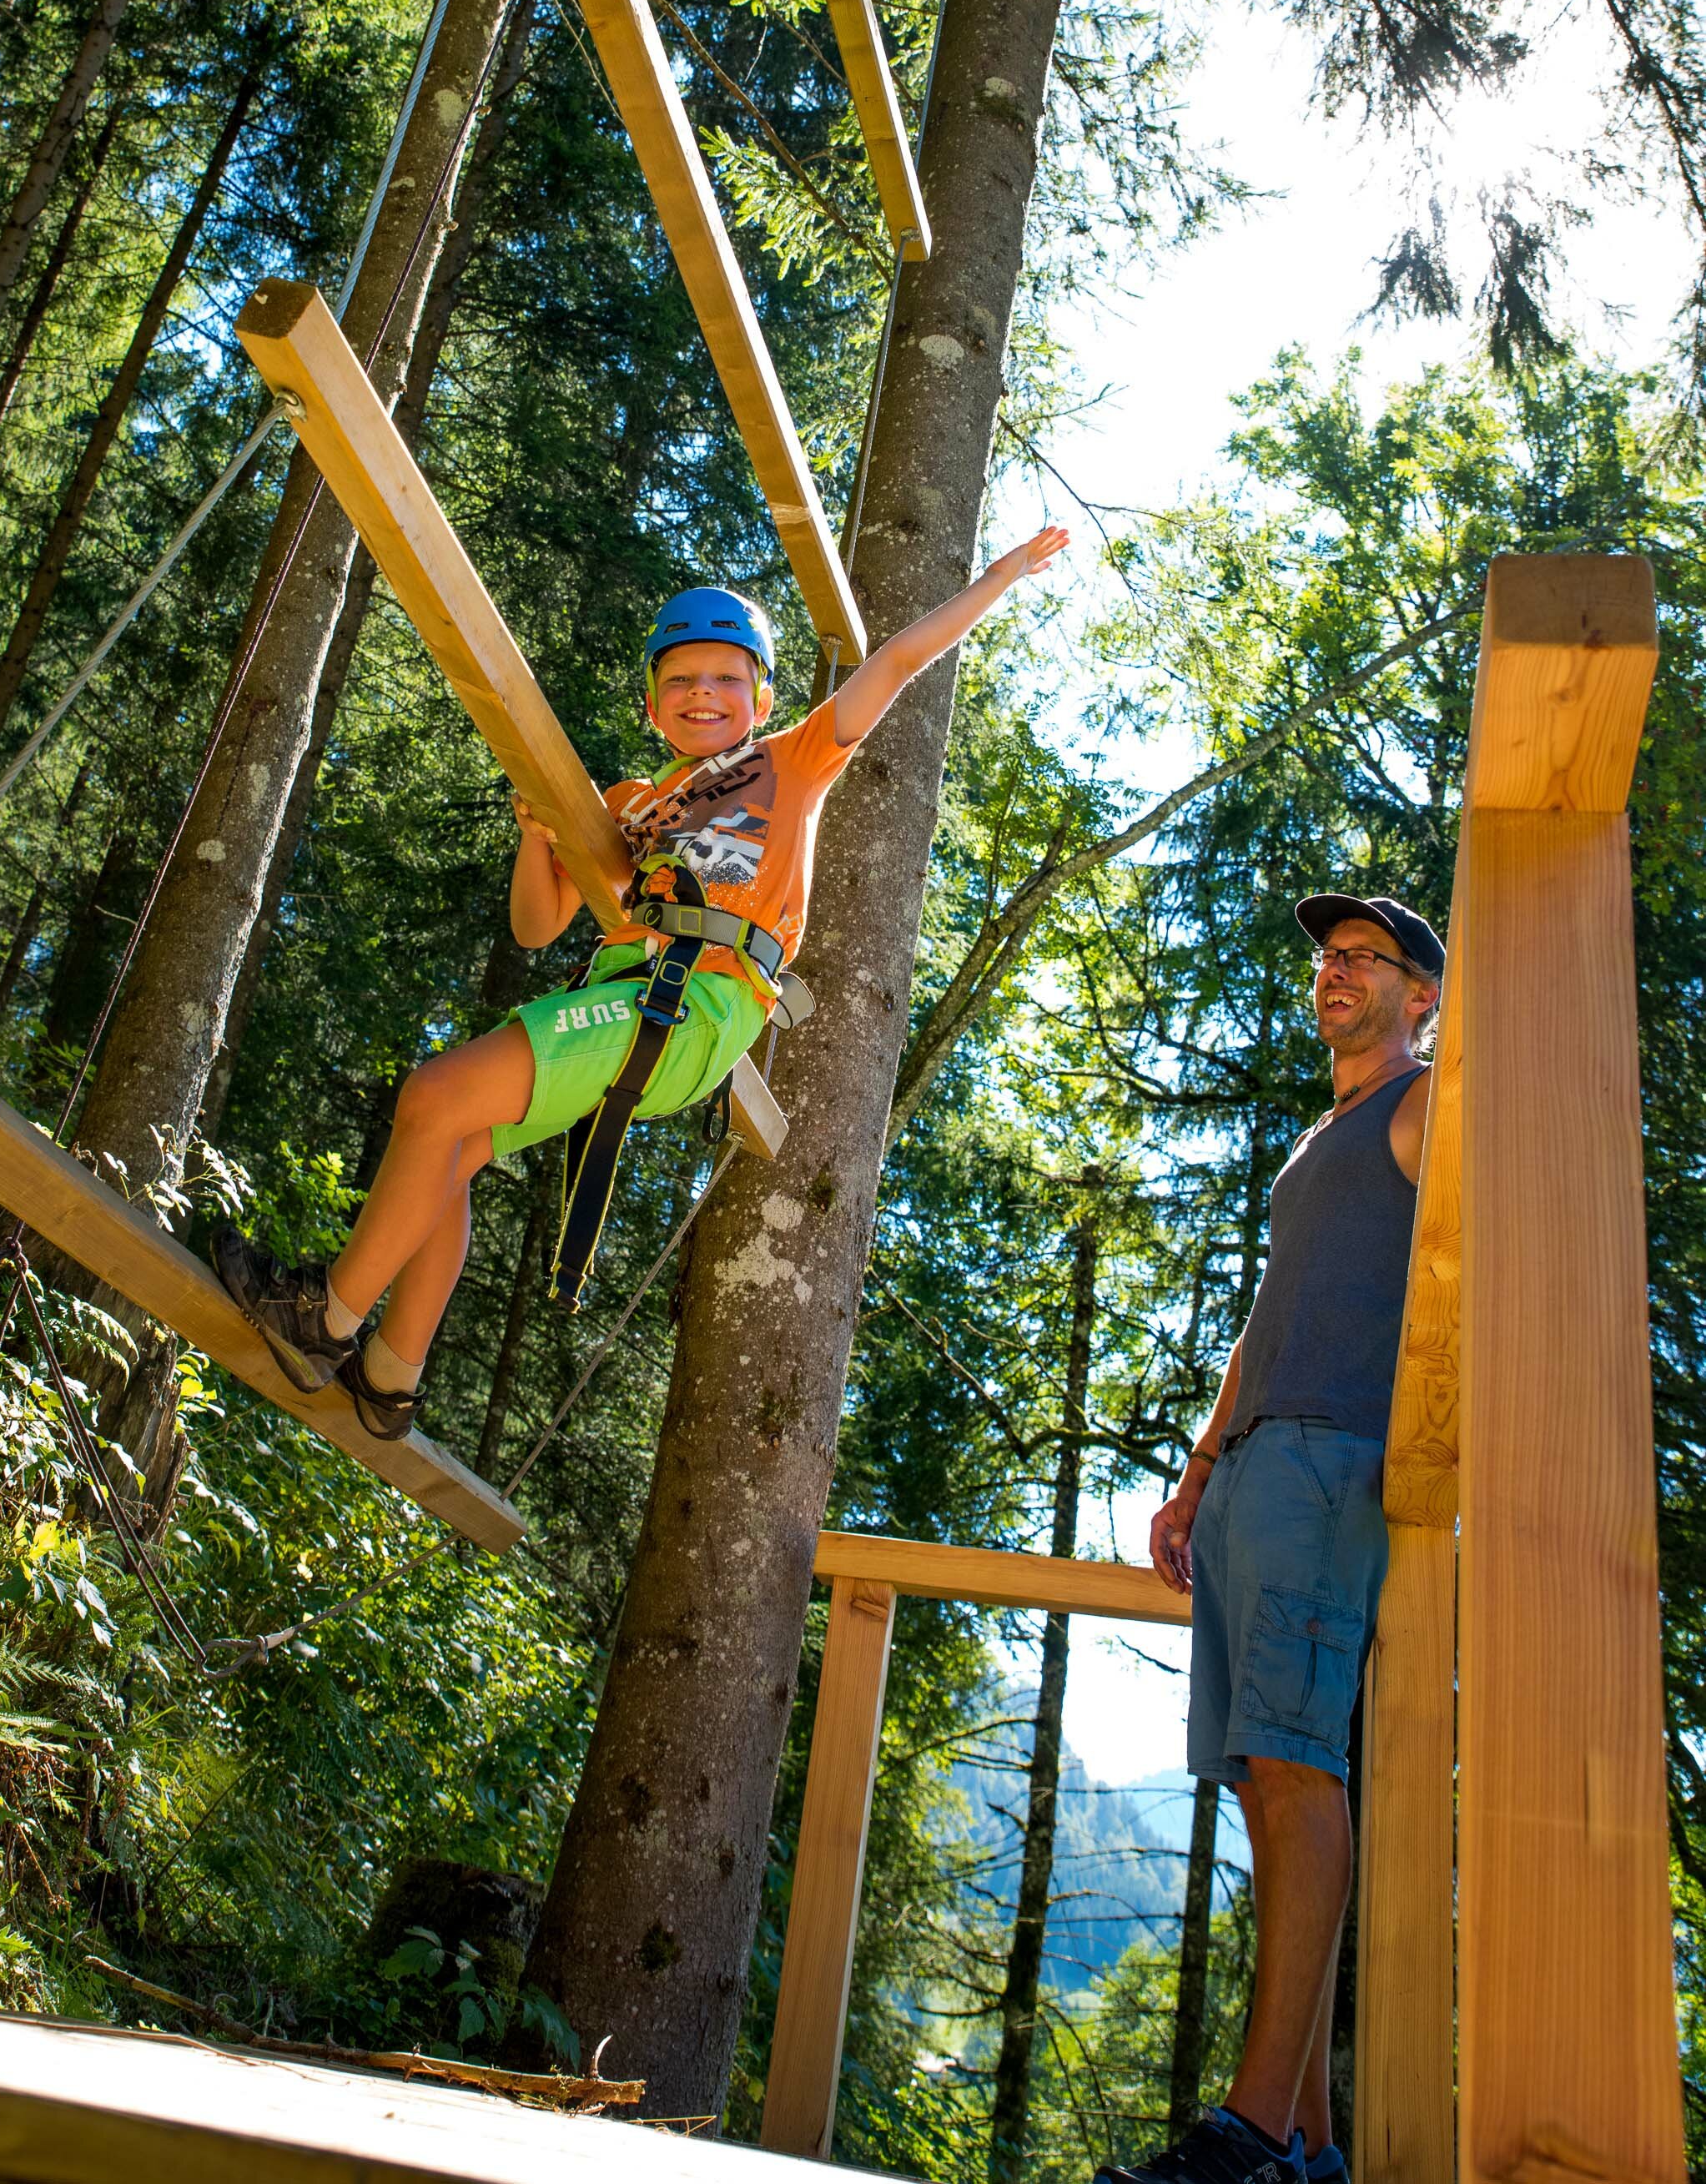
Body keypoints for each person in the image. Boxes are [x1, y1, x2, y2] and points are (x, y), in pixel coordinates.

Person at [217, 522, 1071, 1440]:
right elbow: (538, 925)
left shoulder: (791, 761)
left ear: (761, 695)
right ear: (653, 706)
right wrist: (538, 836)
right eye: (680, 683)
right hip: (624, 993)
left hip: (692, 1004)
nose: (702, 695)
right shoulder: (629, 803)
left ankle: (324, 1323)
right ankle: (389, 1377)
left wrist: (1001, 575)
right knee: (450, 1148)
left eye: (724, 680)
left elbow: (898, 660)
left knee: (434, 1095)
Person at [1099, 891, 1445, 2184]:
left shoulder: (1422, 1106)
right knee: (1259, 1773)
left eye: (1368, 958)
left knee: (1299, 1771)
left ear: (1422, 995)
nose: (1335, 971)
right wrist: (1194, 1471)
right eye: (1327, 956)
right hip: (1253, 1468)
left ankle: (1245, 2135)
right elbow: (1263, 1315)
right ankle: (1303, 2147)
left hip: (1333, 1461)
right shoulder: (1323, 1133)